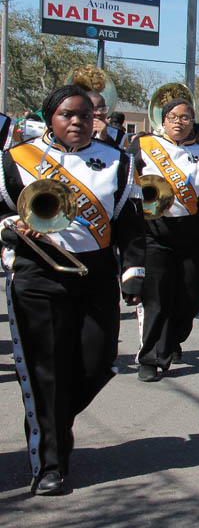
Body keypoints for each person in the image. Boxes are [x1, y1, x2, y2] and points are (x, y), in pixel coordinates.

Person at [1, 85, 145, 494]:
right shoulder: (16, 159)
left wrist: (134, 269)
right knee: (45, 370)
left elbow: (131, 223)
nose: (78, 121)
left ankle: (53, 416)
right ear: (51, 118)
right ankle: (50, 463)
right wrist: (10, 228)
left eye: (86, 114)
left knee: (99, 363)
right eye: (68, 114)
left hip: (94, 273)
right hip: (38, 273)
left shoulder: (118, 162)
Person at [129, 98, 199, 382]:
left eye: (185, 117)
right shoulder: (143, 146)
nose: (178, 122)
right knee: (157, 298)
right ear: (163, 120)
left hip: (192, 236)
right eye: (173, 117)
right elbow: (126, 186)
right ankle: (150, 358)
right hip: (155, 234)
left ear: (192, 122)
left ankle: (171, 339)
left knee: (194, 295)